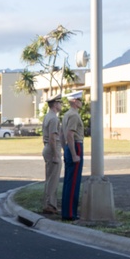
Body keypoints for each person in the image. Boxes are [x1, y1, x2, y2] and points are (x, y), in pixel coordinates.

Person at [60, 91, 84, 220]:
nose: (81, 102)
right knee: (74, 181)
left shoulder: (66, 115)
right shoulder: (74, 115)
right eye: (79, 100)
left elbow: (62, 134)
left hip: (70, 147)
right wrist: (74, 154)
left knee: (69, 181)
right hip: (76, 145)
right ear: (74, 101)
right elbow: (69, 135)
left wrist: (66, 149)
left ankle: (67, 211)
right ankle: (70, 213)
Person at [41, 97, 63, 211]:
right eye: (60, 103)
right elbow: (53, 138)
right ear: (55, 104)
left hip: (47, 148)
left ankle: (48, 204)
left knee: (50, 178)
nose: (61, 105)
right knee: (53, 179)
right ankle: (50, 205)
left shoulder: (47, 116)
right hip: (52, 149)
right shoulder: (54, 118)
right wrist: (55, 155)